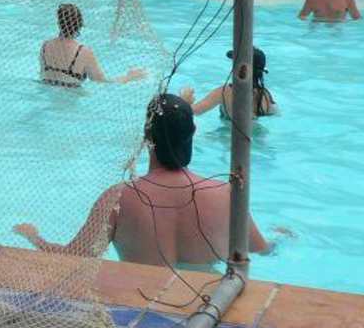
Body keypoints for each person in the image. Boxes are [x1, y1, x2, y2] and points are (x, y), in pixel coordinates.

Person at [14, 94, 272, 268]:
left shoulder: (118, 199)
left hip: (140, 304)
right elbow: (262, 250)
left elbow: (72, 260)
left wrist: (34, 237)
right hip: (206, 309)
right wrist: (279, 237)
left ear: (146, 135)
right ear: (193, 132)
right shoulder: (226, 194)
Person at [39, 3, 146, 87]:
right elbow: (102, 81)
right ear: (80, 25)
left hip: (46, 90)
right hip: (70, 96)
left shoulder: (45, 46)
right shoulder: (83, 52)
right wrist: (128, 77)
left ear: (59, 23)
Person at [182, 47, 277, 120]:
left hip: (230, 136)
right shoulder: (265, 95)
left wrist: (185, 100)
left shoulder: (225, 92)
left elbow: (193, 111)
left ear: (242, 68)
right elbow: (275, 114)